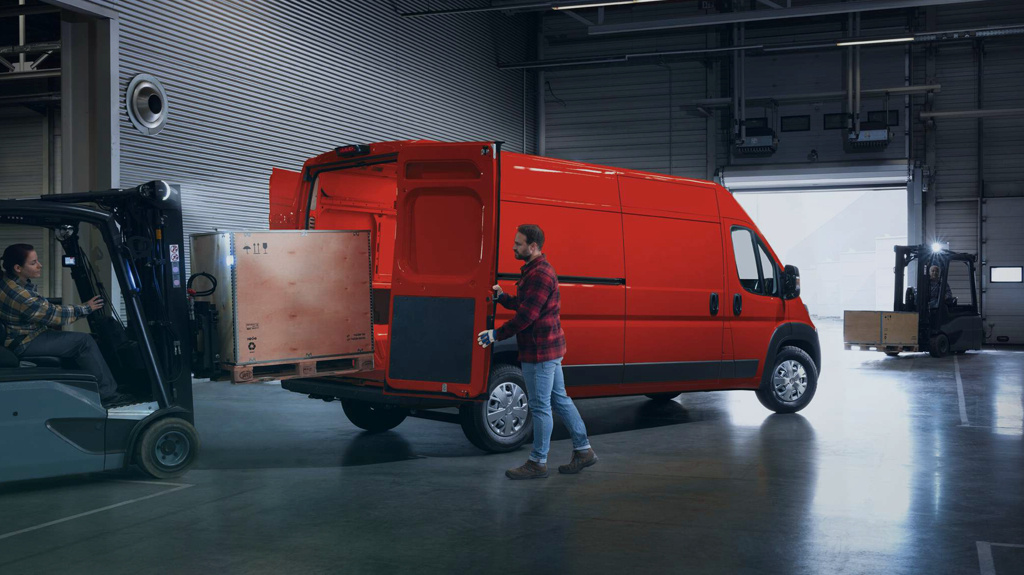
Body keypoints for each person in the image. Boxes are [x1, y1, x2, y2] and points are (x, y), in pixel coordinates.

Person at [476, 224, 597, 480]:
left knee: (540, 407)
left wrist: (496, 334)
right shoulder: (534, 271)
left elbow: (527, 316)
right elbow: (527, 303)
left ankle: (538, 462)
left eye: (518, 244)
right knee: (560, 400)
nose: (513, 247)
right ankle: (584, 450)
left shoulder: (540, 274)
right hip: (548, 349)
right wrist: (504, 298)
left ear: (533, 246)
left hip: (540, 353)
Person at [0, 243, 120, 402]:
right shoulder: (21, 296)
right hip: (25, 341)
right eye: (33, 262)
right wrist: (86, 308)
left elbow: (44, 308)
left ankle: (85, 390)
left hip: (22, 335)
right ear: (17, 268)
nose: (39, 265)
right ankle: (108, 395)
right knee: (84, 342)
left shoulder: (6, 280)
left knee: (89, 339)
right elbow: (54, 315)